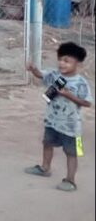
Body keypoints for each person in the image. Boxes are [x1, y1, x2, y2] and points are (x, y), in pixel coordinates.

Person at [25, 43, 92, 192]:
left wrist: (69, 95)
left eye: (67, 61)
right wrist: (33, 69)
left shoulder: (81, 83)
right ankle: (45, 168)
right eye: (60, 59)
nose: (62, 63)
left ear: (78, 63)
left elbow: (87, 103)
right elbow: (41, 75)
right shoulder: (54, 74)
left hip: (73, 128)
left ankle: (70, 180)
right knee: (47, 144)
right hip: (52, 122)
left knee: (73, 153)